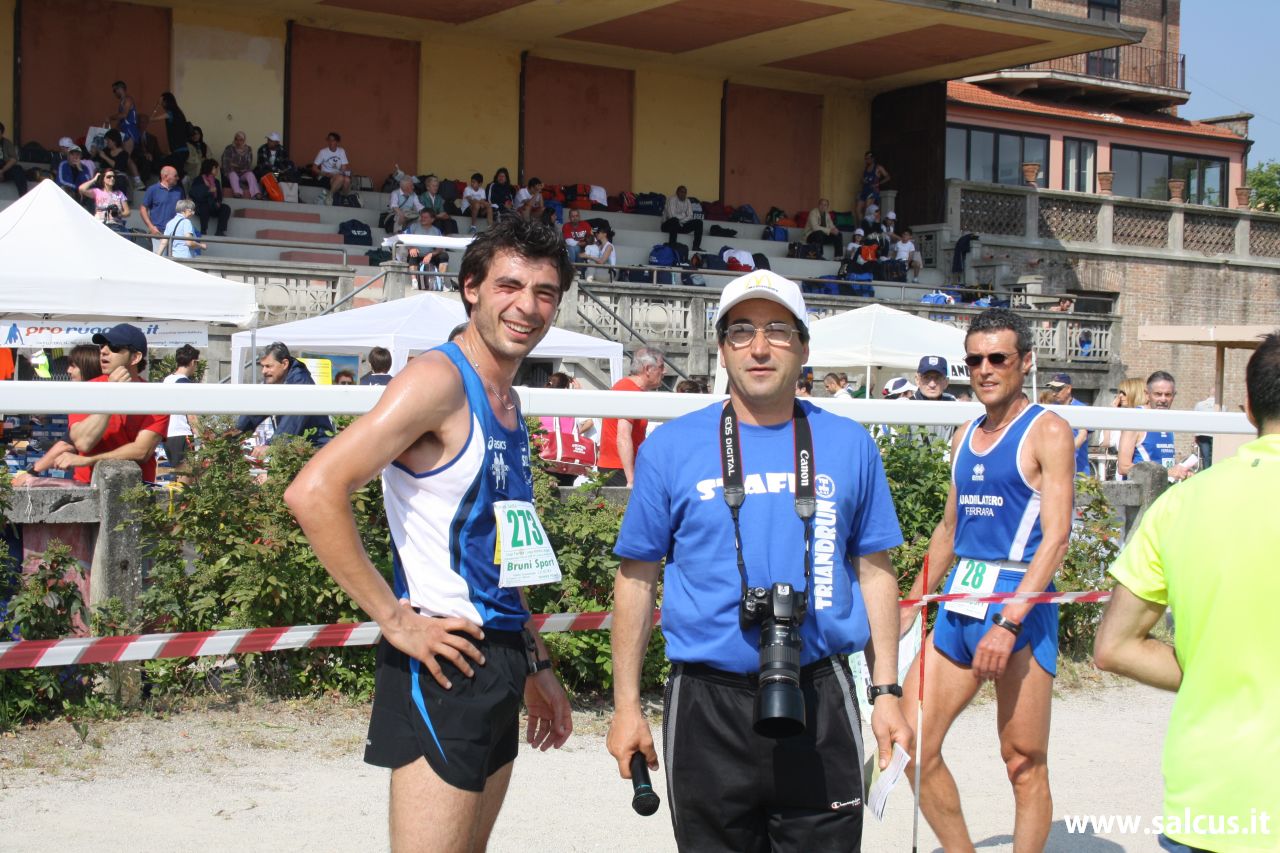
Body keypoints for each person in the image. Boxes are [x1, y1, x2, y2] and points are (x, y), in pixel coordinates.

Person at [283, 217, 574, 850]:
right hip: (442, 657)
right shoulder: (438, 381)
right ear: (471, 288)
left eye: (545, 292)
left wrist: (536, 662)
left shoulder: (508, 400)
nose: (527, 306)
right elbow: (312, 491)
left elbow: (503, 549)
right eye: (509, 285)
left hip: (497, 655)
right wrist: (394, 619)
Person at [606, 269, 911, 852]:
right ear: (722, 348)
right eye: (741, 332)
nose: (760, 347)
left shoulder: (850, 444)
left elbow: (875, 572)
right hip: (706, 704)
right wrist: (626, 707)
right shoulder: (671, 447)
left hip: (819, 693)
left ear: (803, 346)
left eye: (778, 330)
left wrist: (887, 691)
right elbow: (637, 580)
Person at [1093, 331, 1280, 853]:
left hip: (1209, 793)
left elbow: (1114, 648)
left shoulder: (1181, 505)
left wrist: (1212, 673)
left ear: (1247, 410)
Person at [898, 307, 1075, 853]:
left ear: (1025, 362)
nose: (984, 369)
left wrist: (1008, 621)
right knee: (911, 744)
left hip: (1018, 610)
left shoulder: (1047, 429)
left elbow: (1057, 538)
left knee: (1022, 761)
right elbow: (951, 528)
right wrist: (912, 599)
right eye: (974, 359)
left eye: (997, 358)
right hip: (960, 607)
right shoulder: (963, 433)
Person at [55, 324, 170, 484]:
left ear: (135, 357)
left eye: (114, 347)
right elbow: (83, 443)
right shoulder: (86, 389)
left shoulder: (155, 398)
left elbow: (141, 452)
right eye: (102, 345)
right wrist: (110, 395)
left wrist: (88, 461)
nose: (103, 351)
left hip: (135, 491)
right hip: (88, 487)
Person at [12, 346, 102, 487]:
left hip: (93, 482)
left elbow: (66, 445)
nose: (68, 371)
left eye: (73, 366)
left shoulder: (87, 401)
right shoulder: (100, 396)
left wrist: (32, 472)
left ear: (87, 368)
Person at [234, 342, 335, 453]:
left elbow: (292, 421)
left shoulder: (301, 383)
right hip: (296, 450)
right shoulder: (275, 381)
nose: (264, 371)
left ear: (284, 364)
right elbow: (255, 411)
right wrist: (235, 432)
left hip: (316, 449)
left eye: (268, 366)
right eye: (262, 366)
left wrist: (270, 446)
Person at [597, 347, 664, 487]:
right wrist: (631, 479)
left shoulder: (629, 388)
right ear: (647, 369)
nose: (664, 371)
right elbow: (623, 436)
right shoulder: (628, 390)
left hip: (619, 467)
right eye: (661, 367)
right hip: (619, 469)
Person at [1117, 371, 1196, 481]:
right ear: (1147, 394)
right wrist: (1167, 472)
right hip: (1140, 493)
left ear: (1174, 395)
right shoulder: (1136, 419)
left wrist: (1181, 471)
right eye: (1158, 394)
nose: (1163, 399)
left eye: (1168, 395)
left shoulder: (1168, 421)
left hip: (1163, 491)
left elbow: (1163, 462)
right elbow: (1123, 467)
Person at [539, 372, 595, 487]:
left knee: (546, 493)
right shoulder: (570, 404)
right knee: (566, 490)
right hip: (567, 458)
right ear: (566, 388)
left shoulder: (541, 402)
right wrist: (579, 394)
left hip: (545, 454)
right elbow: (589, 422)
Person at [162, 344, 201, 469]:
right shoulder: (184, 383)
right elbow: (192, 416)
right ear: (193, 362)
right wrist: (202, 438)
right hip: (183, 434)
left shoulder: (167, 380)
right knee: (188, 476)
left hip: (168, 434)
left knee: (178, 476)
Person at [1046, 372, 1091, 477]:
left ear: (1069, 389)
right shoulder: (1051, 409)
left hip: (1079, 472)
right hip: (1056, 471)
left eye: (1058, 389)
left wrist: (1065, 453)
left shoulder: (1081, 409)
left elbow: (1082, 435)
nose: (1054, 393)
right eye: (1052, 389)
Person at [105, 81, 145, 190]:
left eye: (115, 90)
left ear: (120, 89)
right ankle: (135, 180)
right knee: (124, 156)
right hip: (124, 132)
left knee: (126, 156)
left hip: (130, 131)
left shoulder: (128, 100)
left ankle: (138, 181)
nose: (114, 93)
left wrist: (110, 117)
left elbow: (124, 115)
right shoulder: (122, 101)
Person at [140, 166, 187, 253]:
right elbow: (143, 208)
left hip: (176, 233)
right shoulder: (152, 190)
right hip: (159, 233)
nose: (178, 178)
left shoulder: (179, 191)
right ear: (165, 176)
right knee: (161, 261)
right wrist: (151, 227)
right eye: (175, 176)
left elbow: (183, 210)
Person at [405, 210, 450, 289]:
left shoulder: (436, 231)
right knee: (413, 254)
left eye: (425, 217)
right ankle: (414, 282)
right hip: (417, 253)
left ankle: (441, 282)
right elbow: (404, 239)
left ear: (432, 220)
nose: (423, 219)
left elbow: (440, 247)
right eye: (422, 217)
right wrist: (411, 248)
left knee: (444, 256)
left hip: (430, 255)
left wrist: (431, 254)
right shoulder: (413, 226)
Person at [149, 92, 191, 175]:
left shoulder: (170, 113)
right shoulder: (178, 113)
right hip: (182, 150)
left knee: (163, 168)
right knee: (175, 173)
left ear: (166, 101)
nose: (162, 103)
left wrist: (157, 105)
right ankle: (184, 177)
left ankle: (183, 179)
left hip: (179, 152)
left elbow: (151, 119)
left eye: (162, 101)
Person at [189, 159, 232, 237]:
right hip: (201, 205)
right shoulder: (198, 180)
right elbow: (196, 195)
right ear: (210, 168)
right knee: (204, 206)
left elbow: (219, 196)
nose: (217, 170)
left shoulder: (216, 181)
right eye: (215, 168)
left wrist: (218, 202)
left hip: (213, 205)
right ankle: (203, 231)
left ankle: (220, 231)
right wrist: (208, 191)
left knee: (226, 208)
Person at [310, 132, 352, 204]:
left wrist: (345, 173)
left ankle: (343, 198)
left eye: (333, 140)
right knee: (341, 178)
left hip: (337, 176)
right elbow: (314, 168)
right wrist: (324, 173)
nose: (330, 142)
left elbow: (343, 168)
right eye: (329, 140)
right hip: (325, 177)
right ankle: (330, 196)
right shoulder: (323, 152)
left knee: (347, 180)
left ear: (337, 142)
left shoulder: (341, 151)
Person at [661, 185, 703, 251]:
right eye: (681, 192)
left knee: (699, 222)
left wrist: (680, 220)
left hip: (680, 226)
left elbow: (690, 216)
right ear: (677, 192)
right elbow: (671, 216)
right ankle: (672, 245)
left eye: (685, 192)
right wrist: (683, 215)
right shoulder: (671, 199)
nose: (683, 194)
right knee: (674, 220)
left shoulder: (687, 201)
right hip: (667, 226)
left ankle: (696, 247)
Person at [220, 130, 260, 199]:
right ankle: (237, 193)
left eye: (241, 140)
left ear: (244, 140)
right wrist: (239, 166)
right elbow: (226, 164)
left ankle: (256, 193)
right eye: (236, 139)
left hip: (243, 173)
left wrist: (235, 165)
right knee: (233, 174)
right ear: (234, 140)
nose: (238, 142)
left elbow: (248, 165)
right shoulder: (229, 148)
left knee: (250, 174)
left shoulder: (248, 149)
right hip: (231, 172)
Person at [856, 151, 890, 219]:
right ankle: (863, 226)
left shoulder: (878, 167)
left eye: (868, 158)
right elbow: (861, 180)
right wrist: (863, 181)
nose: (866, 160)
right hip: (865, 190)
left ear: (872, 159)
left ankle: (867, 228)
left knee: (867, 210)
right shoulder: (865, 169)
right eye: (865, 159)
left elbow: (888, 177)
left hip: (872, 191)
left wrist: (878, 184)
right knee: (858, 210)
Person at [0, 122, 28, 197]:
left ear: (2, 134)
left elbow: (13, 159)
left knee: (18, 169)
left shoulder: (7, 143)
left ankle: (23, 197)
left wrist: (2, 171)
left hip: (4, 168)